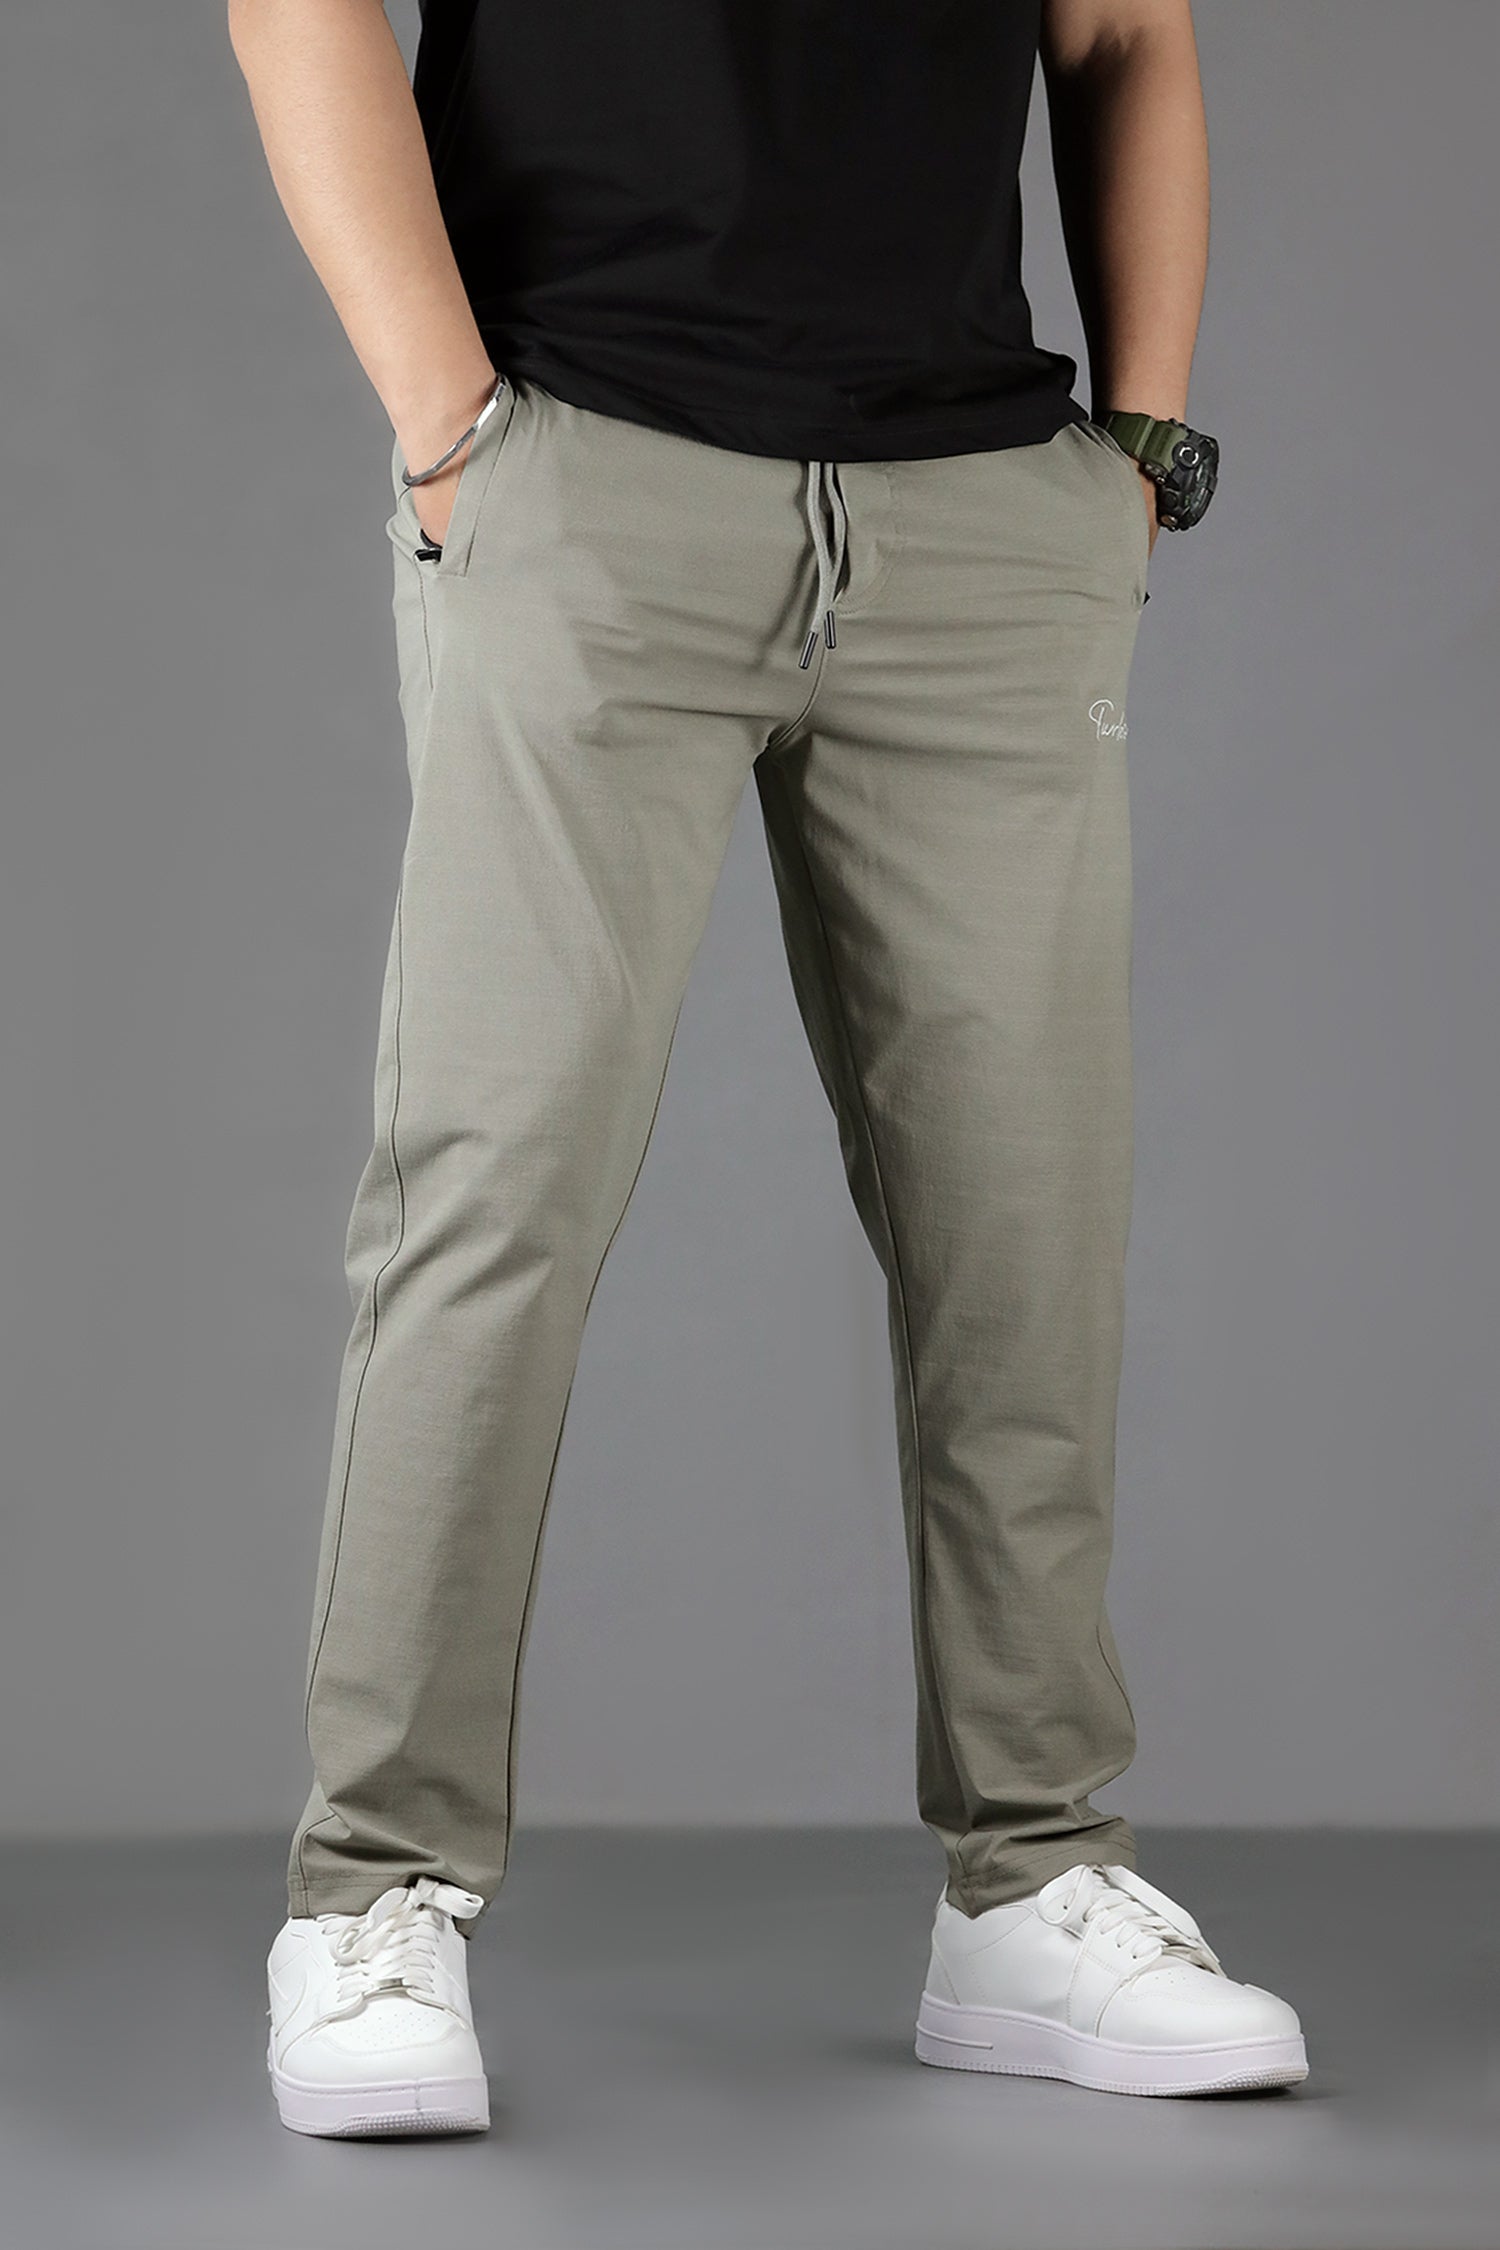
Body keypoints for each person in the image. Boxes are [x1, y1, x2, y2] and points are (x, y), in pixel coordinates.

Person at [230, 0, 1306, 2138]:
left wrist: (1138, 453)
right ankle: (371, 1890)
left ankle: (1033, 1870)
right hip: (588, 459)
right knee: (493, 1199)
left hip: (984, 513)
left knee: (1028, 1230)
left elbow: (1122, 34)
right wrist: (449, 425)